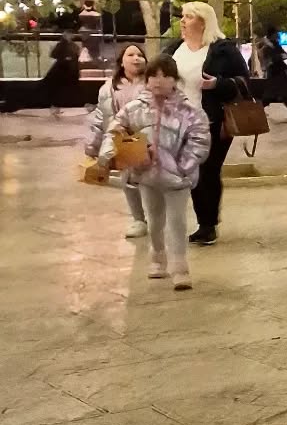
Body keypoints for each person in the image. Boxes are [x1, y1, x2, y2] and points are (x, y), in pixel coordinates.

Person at [96, 55, 210, 291]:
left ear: (174, 79)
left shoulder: (190, 112)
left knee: (177, 222)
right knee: (155, 220)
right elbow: (114, 132)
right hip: (146, 176)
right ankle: (157, 257)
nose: (159, 81)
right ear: (146, 80)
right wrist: (110, 155)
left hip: (177, 179)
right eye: (153, 76)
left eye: (165, 75)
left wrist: (182, 167)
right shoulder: (133, 110)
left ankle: (180, 268)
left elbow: (199, 141)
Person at [165, 1, 249, 247]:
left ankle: (207, 224)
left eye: (188, 17)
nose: (182, 21)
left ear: (203, 22)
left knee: (207, 170)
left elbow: (245, 82)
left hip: (213, 120)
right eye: (182, 16)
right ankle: (197, 221)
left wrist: (217, 85)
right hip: (178, 122)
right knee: (190, 171)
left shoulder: (222, 50)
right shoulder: (174, 49)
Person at [86, 44, 151, 239]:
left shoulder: (152, 83)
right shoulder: (109, 88)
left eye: (140, 55)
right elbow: (101, 116)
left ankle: (159, 217)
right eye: (131, 55)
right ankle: (139, 219)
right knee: (129, 179)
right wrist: (93, 144)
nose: (136, 58)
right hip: (123, 139)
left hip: (149, 137)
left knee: (156, 181)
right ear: (121, 61)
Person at [263, 24, 287, 116]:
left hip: (280, 71)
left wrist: (279, 57)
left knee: (283, 91)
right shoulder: (267, 46)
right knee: (273, 92)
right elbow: (270, 59)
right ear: (271, 34)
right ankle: (260, 109)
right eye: (275, 33)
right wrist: (278, 57)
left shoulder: (275, 44)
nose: (277, 35)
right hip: (275, 72)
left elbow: (285, 55)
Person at [42, 34, 82, 113]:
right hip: (62, 70)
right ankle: (55, 105)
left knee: (60, 87)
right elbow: (54, 54)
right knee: (57, 86)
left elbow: (75, 59)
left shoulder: (74, 46)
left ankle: (56, 104)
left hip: (67, 71)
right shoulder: (63, 45)